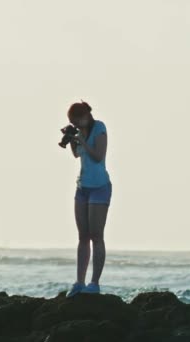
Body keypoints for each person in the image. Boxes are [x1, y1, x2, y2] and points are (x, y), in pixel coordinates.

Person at [65, 101, 112, 297]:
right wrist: (71, 141)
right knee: (83, 237)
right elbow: (77, 154)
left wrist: (82, 140)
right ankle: (79, 282)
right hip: (82, 187)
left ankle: (94, 283)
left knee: (96, 236)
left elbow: (98, 156)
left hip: (99, 187)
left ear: (85, 116)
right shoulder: (80, 132)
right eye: (72, 122)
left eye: (77, 121)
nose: (76, 125)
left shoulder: (99, 127)